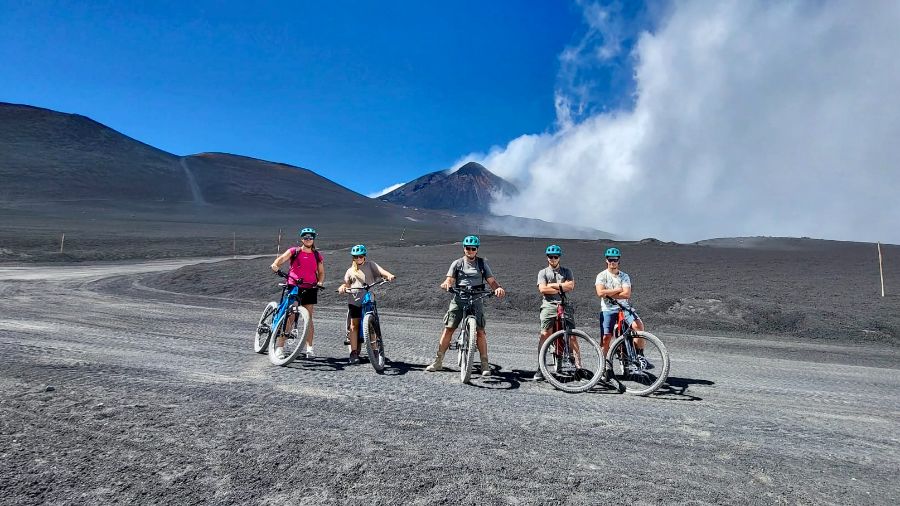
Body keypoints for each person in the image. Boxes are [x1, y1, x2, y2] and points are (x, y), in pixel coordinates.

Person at [425, 235, 506, 376]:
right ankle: (438, 361)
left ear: (477, 250)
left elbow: (491, 281)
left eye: (473, 248)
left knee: (480, 332)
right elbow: (449, 279)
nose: (470, 251)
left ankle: (484, 364)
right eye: (467, 248)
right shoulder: (457, 263)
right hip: (460, 297)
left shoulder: (482, 264)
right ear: (464, 249)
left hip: (476, 298)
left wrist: (497, 288)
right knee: (449, 328)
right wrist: (447, 284)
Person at [270, 227, 325, 360]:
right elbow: (281, 259)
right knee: (290, 316)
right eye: (306, 237)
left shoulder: (317, 255)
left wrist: (320, 282)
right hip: (294, 286)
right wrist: (275, 265)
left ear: (313, 239)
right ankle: (280, 347)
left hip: (310, 288)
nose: (308, 239)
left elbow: (321, 272)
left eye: (311, 237)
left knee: (309, 318)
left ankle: (310, 349)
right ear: (302, 239)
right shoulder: (294, 251)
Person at [337, 244, 396, 365]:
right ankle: (354, 353)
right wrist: (342, 287)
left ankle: (374, 350)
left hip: (368, 298)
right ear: (353, 258)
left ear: (364, 256)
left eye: (361, 256)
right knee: (354, 325)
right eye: (356, 257)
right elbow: (346, 284)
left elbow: (381, 271)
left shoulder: (371, 265)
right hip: (354, 299)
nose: (358, 259)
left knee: (371, 326)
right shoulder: (350, 270)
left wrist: (388, 275)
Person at [594, 247, 650, 367]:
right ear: (606, 260)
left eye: (615, 259)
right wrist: (619, 289)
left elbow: (627, 294)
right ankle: (603, 367)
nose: (612, 262)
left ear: (619, 260)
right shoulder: (601, 276)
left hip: (624, 308)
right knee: (605, 338)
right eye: (610, 260)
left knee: (638, 326)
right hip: (608, 310)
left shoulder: (624, 276)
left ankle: (639, 355)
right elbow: (600, 293)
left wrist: (608, 292)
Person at [534, 244, 575, 381]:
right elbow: (543, 290)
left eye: (555, 257)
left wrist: (552, 286)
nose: (553, 259)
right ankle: (540, 367)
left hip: (564, 304)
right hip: (548, 305)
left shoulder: (567, 271)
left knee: (569, 334)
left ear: (559, 258)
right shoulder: (543, 272)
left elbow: (570, 286)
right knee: (545, 334)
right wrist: (561, 288)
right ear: (547, 258)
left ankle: (571, 364)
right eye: (550, 257)